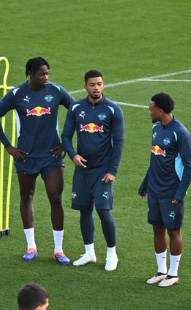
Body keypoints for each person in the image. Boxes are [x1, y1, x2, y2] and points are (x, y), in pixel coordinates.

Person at [0, 57, 75, 263]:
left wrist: (66, 142)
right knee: (26, 196)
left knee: (55, 197)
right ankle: (31, 247)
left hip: (51, 156)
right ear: (30, 73)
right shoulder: (18, 94)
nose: (46, 77)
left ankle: (59, 250)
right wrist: (8, 146)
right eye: (41, 74)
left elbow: (76, 112)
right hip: (26, 156)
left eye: (47, 73)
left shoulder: (56, 91)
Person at [61, 70, 124, 270]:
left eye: (99, 84)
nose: (96, 88)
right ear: (85, 86)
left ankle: (112, 254)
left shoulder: (113, 110)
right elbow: (65, 136)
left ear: (103, 85)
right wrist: (73, 155)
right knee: (84, 211)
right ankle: (89, 252)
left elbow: (119, 142)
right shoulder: (76, 107)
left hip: (103, 171)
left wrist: (112, 170)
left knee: (104, 211)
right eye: (92, 84)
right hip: (82, 171)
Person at [138, 93, 191, 288]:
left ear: (160, 111)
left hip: (171, 191)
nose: (149, 111)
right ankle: (162, 271)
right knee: (156, 228)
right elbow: (155, 159)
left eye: (151, 108)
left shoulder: (180, 133)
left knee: (173, 230)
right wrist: (145, 183)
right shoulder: (156, 128)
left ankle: (173, 273)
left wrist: (180, 193)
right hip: (154, 189)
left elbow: (189, 165)